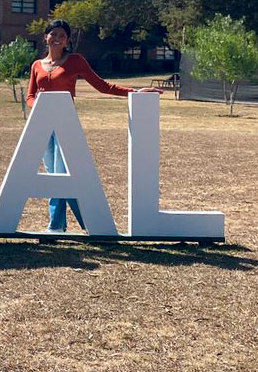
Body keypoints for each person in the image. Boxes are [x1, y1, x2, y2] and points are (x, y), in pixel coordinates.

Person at [27, 19, 162, 232]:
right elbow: (30, 96)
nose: (57, 38)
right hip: (41, 125)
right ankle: (85, 223)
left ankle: (55, 227)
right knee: (54, 177)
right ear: (46, 36)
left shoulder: (75, 61)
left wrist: (135, 92)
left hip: (65, 124)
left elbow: (102, 86)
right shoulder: (37, 65)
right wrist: (40, 106)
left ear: (67, 40)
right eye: (53, 34)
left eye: (62, 35)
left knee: (61, 174)